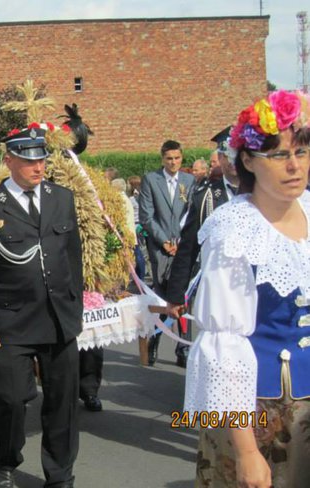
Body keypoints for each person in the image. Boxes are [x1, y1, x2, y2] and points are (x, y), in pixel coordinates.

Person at [184, 89, 310, 488]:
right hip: (262, 413)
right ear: (250, 161)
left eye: (301, 153)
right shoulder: (235, 230)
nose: (294, 166)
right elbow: (223, 345)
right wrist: (247, 453)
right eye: (279, 156)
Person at [0, 126, 83, 488]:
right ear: (9, 161)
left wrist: (75, 307)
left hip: (59, 319)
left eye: (42, 159)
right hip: (12, 320)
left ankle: (60, 474)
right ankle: (6, 459)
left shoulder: (62, 198)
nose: (38, 167)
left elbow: (72, 258)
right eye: (29, 160)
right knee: (13, 400)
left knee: (62, 403)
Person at [166, 127, 239, 321]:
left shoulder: (263, 192)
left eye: (238, 154)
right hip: (220, 287)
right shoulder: (205, 197)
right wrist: (175, 295)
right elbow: (188, 247)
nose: (232, 161)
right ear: (220, 159)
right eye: (227, 155)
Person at [139, 140, 195, 366]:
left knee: (184, 298)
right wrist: (164, 242)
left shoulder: (189, 181)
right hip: (160, 250)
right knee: (163, 300)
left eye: (177, 158)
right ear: (162, 159)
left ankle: (183, 349)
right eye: (169, 159)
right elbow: (147, 216)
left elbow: (191, 214)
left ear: (182, 158)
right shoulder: (151, 180)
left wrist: (182, 242)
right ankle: (154, 340)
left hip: (184, 249)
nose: (173, 163)